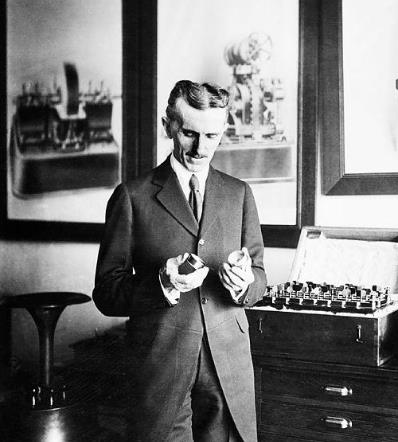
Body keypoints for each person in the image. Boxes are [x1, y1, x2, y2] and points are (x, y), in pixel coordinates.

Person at [92, 80, 267, 442]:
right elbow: (106, 293)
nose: (201, 148)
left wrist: (245, 283)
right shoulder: (131, 196)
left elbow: (260, 277)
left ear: (223, 131)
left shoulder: (239, 194)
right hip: (161, 365)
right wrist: (161, 283)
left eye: (212, 136)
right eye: (189, 133)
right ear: (167, 125)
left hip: (227, 365)